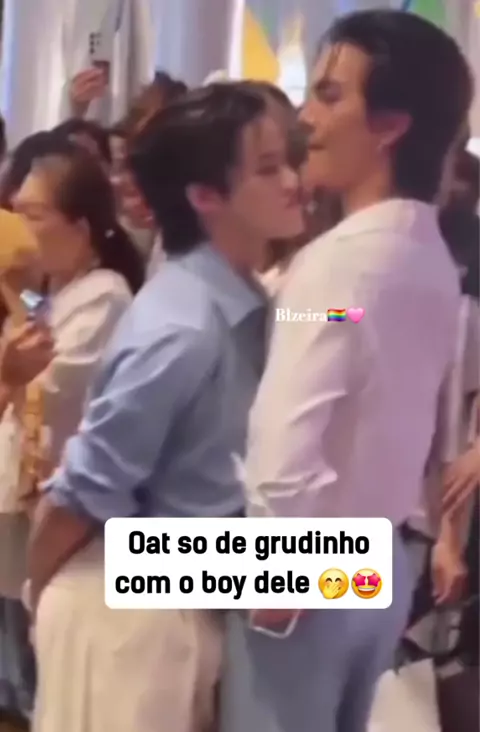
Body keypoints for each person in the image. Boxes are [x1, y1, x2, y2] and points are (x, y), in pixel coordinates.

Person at [220, 10, 473, 732]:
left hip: (307, 568)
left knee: (115, 579)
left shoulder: (338, 267)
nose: (306, 117)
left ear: (390, 125)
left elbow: (286, 437)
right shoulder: (427, 255)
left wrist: (274, 582)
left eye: (329, 96)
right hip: (377, 562)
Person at [27, 83, 303, 732]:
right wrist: (42, 590)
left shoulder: (250, 299)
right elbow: (84, 491)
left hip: (189, 587)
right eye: (269, 168)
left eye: (290, 160)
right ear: (205, 195)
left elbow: (317, 319)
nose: (294, 181)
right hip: (136, 615)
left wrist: (359, 313)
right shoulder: (181, 329)